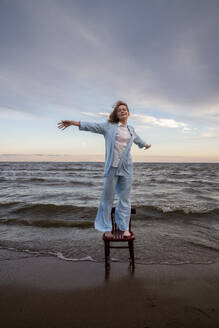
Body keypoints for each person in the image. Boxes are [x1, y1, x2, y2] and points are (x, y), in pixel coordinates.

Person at [57, 100, 151, 238]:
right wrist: (73, 122)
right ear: (117, 114)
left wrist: (146, 145)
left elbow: (138, 140)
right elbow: (92, 126)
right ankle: (106, 227)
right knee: (107, 199)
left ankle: (124, 227)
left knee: (124, 199)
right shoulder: (109, 127)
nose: (122, 111)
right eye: (119, 110)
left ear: (128, 113)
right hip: (112, 167)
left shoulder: (131, 129)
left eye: (124, 109)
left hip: (127, 168)